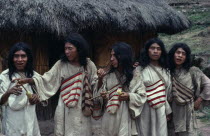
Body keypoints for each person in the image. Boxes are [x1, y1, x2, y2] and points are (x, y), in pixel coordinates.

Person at [18, 33, 98, 136]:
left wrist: (100, 80)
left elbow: (95, 85)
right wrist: (30, 80)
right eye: (65, 49)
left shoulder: (89, 65)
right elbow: (47, 79)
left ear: (79, 48)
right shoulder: (61, 64)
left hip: (82, 106)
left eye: (70, 48)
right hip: (64, 107)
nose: (67, 52)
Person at [97, 42, 146, 136]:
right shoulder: (108, 75)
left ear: (123, 56)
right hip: (109, 117)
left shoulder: (135, 75)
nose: (111, 59)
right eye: (111, 55)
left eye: (115, 56)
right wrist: (100, 82)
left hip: (126, 117)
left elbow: (142, 96)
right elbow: (100, 96)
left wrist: (129, 96)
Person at [168, 43, 210, 136]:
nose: (180, 55)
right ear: (173, 54)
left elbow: (208, 84)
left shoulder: (193, 71)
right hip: (170, 111)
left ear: (186, 57)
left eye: (183, 54)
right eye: (178, 52)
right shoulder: (166, 71)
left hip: (187, 111)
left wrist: (199, 99)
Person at [0, 42, 40, 136]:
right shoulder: (4, 76)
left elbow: (41, 95)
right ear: (12, 58)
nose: (20, 60)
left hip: (30, 118)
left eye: (23, 56)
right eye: (16, 56)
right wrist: (8, 92)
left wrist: (36, 98)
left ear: (28, 58)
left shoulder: (34, 76)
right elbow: (1, 101)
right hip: (12, 120)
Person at [136, 38, 172, 136]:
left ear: (162, 51)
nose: (155, 51)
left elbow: (168, 92)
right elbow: (135, 91)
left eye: (158, 49)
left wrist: (167, 109)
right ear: (147, 50)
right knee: (145, 132)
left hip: (161, 108)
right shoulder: (140, 69)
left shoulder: (166, 70)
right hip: (145, 108)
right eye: (152, 48)